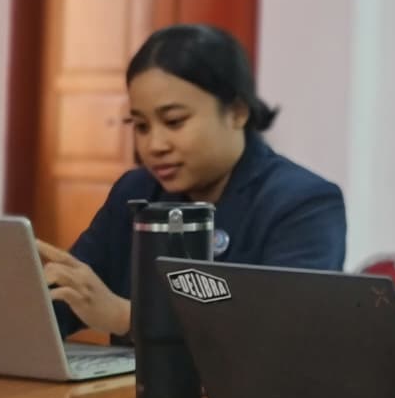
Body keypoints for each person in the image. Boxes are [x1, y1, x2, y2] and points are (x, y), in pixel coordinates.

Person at [39, 23, 347, 338]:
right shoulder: (135, 192)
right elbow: (68, 301)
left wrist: (127, 317)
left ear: (237, 112)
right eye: (141, 126)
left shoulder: (303, 203)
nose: (155, 145)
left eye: (174, 122)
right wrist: (29, 296)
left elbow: (279, 330)